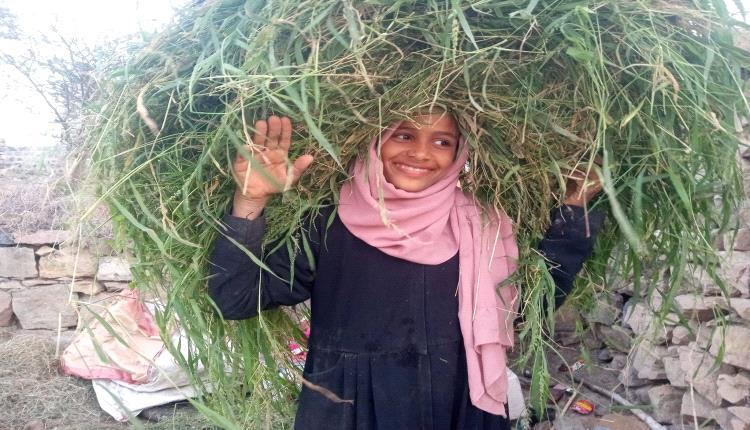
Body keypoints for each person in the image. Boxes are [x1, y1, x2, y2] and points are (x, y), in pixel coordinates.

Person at [208, 112, 603, 430]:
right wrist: (250, 199)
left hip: (460, 406)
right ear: (375, 140)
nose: (420, 152)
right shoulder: (328, 223)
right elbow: (234, 298)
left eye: (442, 142)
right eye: (403, 134)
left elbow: (530, 306)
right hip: (353, 410)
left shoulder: (481, 224)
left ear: (459, 153)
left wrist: (575, 208)